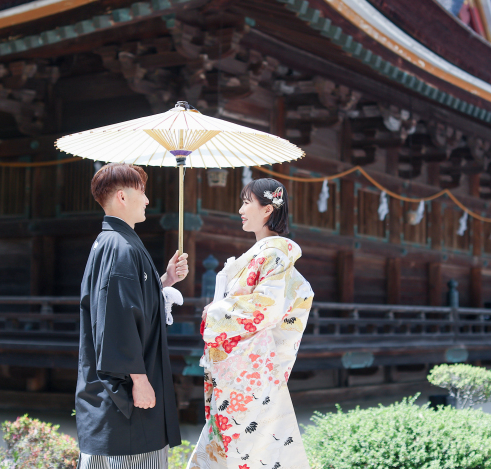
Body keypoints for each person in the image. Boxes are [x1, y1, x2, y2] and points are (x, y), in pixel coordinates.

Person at [187, 179, 314, 469]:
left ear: (267, 209)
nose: (240, 209)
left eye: (247, 202)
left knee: (245, 444)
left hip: (250, 366)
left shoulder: (273, 254)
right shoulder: (259, 253)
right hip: (238, 362)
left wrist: (216, 311)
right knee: (236, 442)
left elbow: (266, 308)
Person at [76, 163, 189, 468]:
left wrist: (164, 281)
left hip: (119, 395)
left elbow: (132, 303)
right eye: (142, 191)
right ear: (123, 197)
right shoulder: (119, 246)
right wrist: (139, 380)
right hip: (125, 397)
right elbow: (118, 318)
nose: (148, 200)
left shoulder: (113, 242)